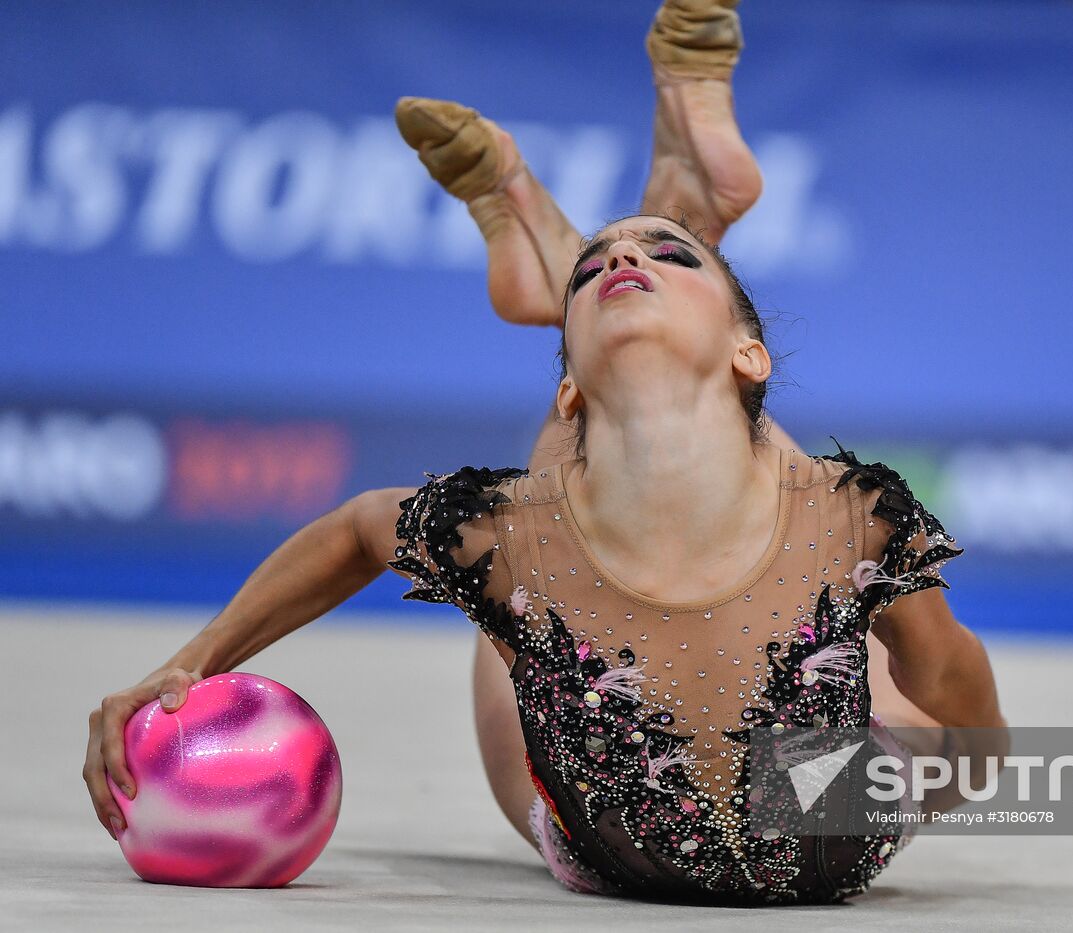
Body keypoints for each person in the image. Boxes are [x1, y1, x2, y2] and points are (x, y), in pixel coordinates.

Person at [83, 0, 1007, 906]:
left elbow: (972, 737)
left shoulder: (853, 515)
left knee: (702, 495)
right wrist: (191, 663)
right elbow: (362, 528)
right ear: (561, 392)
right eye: (596, 267)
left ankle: (588, 234)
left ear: (752, 350)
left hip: (819, 809)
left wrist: (910, 771)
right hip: (599, 830)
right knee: (589, 528)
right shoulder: (514, 532)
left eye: (663, 258)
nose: (625, 264)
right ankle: (648, 226)